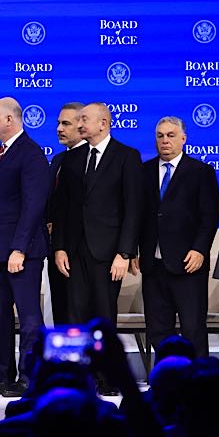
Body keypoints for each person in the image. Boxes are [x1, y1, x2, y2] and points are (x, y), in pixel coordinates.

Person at [0, 97, 48, 397]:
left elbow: (33, 206)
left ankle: (29, 377)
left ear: (10, 120)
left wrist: (19, 249)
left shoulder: (30, 154)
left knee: (29, 317)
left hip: (22, 254)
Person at [52, 103, 143, 324]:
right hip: (74, 252)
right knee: (74, 316)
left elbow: (133, 209)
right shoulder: (72, 158)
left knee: (103, 317)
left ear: (103, 124)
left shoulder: (127, 156)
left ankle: (105, 359)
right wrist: (60, 248)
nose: (79, 124)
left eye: (84, 119)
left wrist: (124, 253)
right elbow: (63, 208)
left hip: (108, 253)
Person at [137, 116, 219, 357]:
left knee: (193, 329)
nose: (165, 140)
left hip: (188, 264)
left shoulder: (201, 172)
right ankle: (168, 379)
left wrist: (200, 249)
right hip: (153, 265)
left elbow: (210, 216)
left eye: (171, 136)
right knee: (158, 329)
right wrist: (133, 250)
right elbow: (137, 215)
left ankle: (198, 383)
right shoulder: (144, 171)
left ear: (183, 139)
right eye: (160, 136)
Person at [47, 102, 86, 325]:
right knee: (60, 310)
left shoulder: (88, 160)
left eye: (66, 124)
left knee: (76, 314)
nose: (59, 129)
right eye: (58, 123)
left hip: (79, 251)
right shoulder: (59, 159)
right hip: (55, 247)